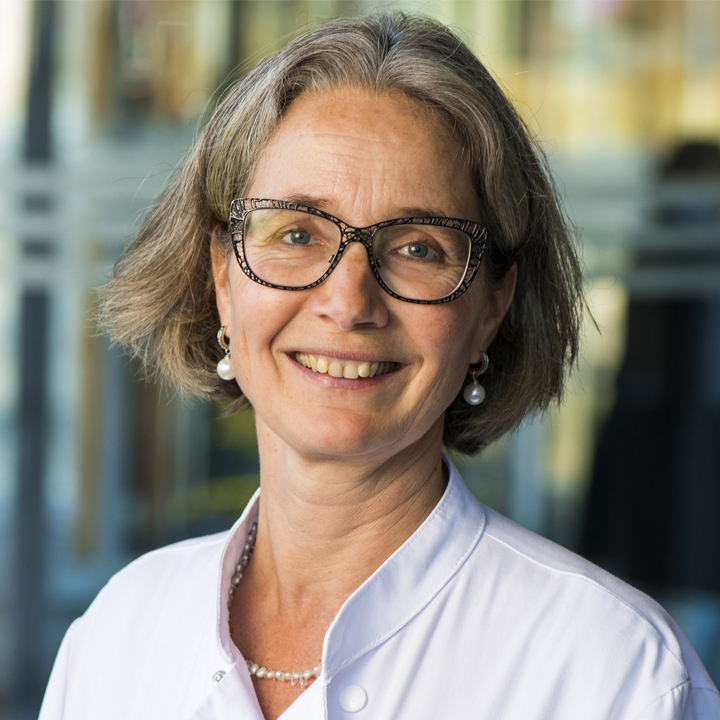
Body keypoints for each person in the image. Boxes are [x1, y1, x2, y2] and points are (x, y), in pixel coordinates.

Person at [39, 13, 719, 720]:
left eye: (419, 248)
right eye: (296, 233)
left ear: (492, 305)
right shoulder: (122, 631)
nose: (348, 302)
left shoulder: (616, 674)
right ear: (222, 279)